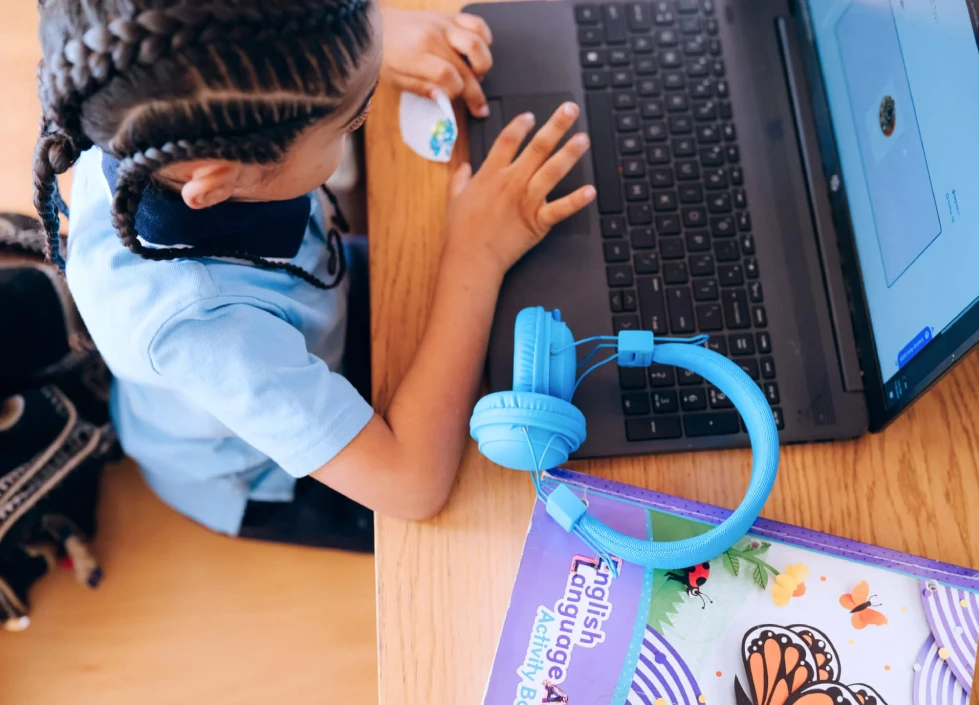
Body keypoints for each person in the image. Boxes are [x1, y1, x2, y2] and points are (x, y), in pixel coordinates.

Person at [33, 0, 594, 551]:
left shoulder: (144, 116)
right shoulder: (200, 326)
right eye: (354, 117)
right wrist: (476, 255)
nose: (362, 110)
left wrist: (357, 40)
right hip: (265, 473)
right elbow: (413, 485)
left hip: (317, 306)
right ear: (221, 180)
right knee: (486, 516)